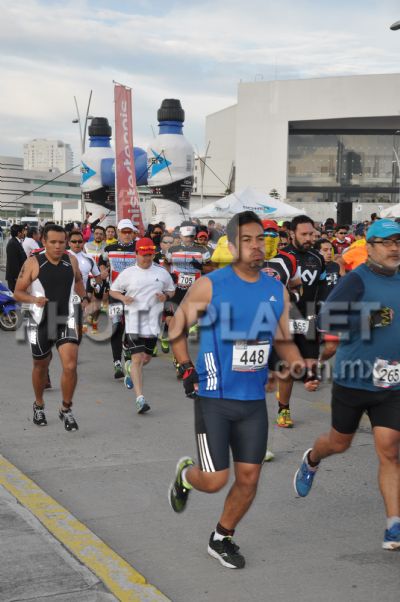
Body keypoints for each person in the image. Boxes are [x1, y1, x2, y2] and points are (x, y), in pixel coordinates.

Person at [168, 211, 319, 569]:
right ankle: (185, 477)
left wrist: (301, 368)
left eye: (260, 239)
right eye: (247, 240)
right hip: (214, 397)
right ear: (233, 246)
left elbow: (282, 340)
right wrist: (185, 366)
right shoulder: (211, 285)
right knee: (214, 480)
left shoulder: (276, 290)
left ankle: (221, 537)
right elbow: (177, 326)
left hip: (252, 401)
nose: (255, 246)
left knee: (249, 478)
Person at [294, 218, 400, 551]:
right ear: (370, 247)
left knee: (390, 450)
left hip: (391, 383)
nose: (394, 248)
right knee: (339, 443)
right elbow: (326, 319)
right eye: (387, 242)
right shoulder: (356, 279)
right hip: (353, 380)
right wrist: (370, 318)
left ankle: (394, 525)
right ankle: (312, 458)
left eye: (398, 242)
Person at [13, 224, 90, 432]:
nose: (58, 246)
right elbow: (18, 292)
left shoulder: (71, 260)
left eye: (61, 242)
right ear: (44, 242)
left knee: (70, 366)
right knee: (41, 365)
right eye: (53, 242)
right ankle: (39, 405)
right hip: (39, 320)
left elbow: (78, 281)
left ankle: (66, 408)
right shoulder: (33, 262)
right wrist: (33, 300)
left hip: (66, 317)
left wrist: (84, 298)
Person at [110, 237, 175, 413]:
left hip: (153, 323)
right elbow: (113, 290)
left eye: (150, 254)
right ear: (136, 254)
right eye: (144, 254)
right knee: (138, 358)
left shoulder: (162, 272)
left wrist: (165, 296)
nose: (147, 258)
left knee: (146, 359)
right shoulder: (128, 273)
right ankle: (140, 399)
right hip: (134, 322)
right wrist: (123, 298)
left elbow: (171, 289)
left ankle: (129, 368)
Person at [278, 215, 326, 427]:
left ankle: (304, 380)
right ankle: (283, 409)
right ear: (292, 234)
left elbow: (322, 289)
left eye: (311, 234)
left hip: (310, 317)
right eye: (304, 234)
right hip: (287, 316)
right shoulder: (282, 258)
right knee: (288, 367)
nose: (309, 238)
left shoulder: (318, 258)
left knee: (310, 369)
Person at [163, 222, 211, 374]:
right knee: (174, 321)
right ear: (180, 236)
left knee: (184, 325)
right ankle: (178, 357)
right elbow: (166, 264)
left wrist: (200, 267)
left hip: (194, 292)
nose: (189, 239)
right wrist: (168, 275)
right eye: (186, 236)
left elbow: (211, 268)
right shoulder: (172, 250)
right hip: (177, 290)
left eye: (191, 236)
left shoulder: (203, 250)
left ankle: (178, 357)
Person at [98, 219, 138, 378]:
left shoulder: (138, 248)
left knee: (131, 328)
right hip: (115, 294)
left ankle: (127, 349)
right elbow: (101, 261)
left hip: (134, 296)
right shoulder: (110, 248)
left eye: (129, 232)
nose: (127, 235)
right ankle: (117, 363)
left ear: (133, 233)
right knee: (116, 327)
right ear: (118, 232)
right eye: (124, 232)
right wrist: (103, 270)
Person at [5, 224, 27, 292]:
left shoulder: (17, 242)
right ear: (19, 233)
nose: (24, 233)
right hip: (14, 277)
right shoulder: (12, 243)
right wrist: (16, 277)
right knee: (14, 294)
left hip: (18, 275)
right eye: (23, 231)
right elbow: (13, 263)